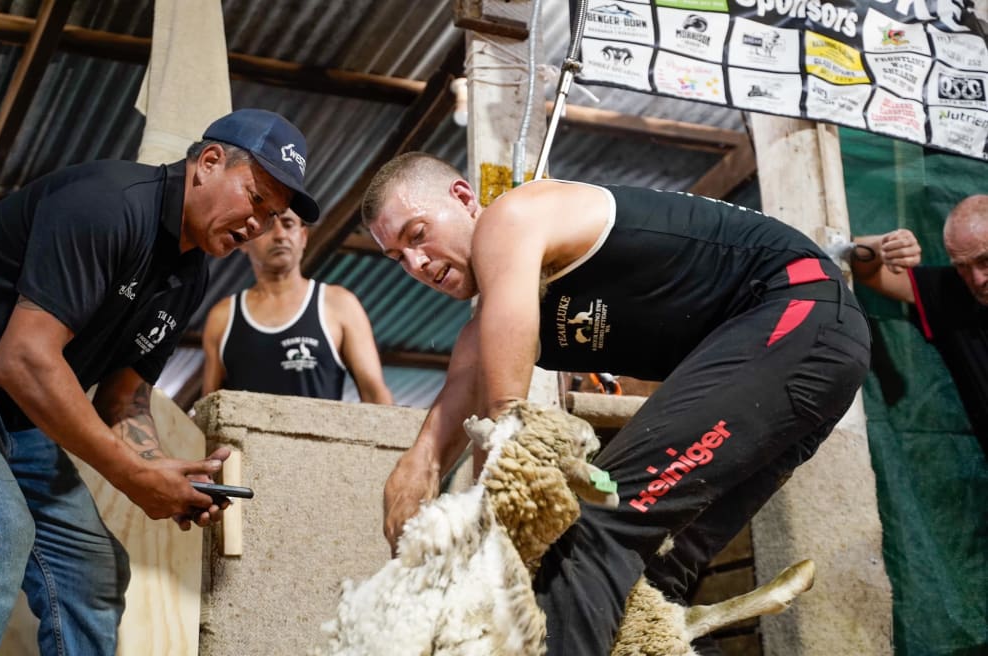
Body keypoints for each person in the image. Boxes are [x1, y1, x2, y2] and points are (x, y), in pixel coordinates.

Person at [361, 152, 870, 655]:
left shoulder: (512, 217)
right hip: (811, 361)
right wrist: (417, 472)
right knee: (647, 585)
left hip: (798, 314)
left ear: (464, 198)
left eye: (417, 234)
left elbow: (506, 420)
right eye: (398, 258)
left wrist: (500, 507)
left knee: (593, 529)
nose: (416, 264)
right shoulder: (489, 318)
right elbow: (444, 438)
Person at [0, 108, 319, 656]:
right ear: (208, 162)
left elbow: (124, 398)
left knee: (92, 570)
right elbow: (21, 359)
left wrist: (156, 465)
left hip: (13, 411)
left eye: (274, 213)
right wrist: (132, 477)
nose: (258, 224)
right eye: (256, 199)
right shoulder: (109, 203)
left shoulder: (190, 276)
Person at [201, 208, 393, 404]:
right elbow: (208, 406)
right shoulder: (222, 316)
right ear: (245, 239)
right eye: (268, 227)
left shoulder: (339, 304)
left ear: (303, 237)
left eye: (288, 224)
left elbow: (375, 394)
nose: (280, 235)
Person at [851, 195, 988, 453]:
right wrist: (884, 245)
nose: (977, 278)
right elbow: (852, 262)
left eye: (985, 261)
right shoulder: (953, 294)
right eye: (962, 266)